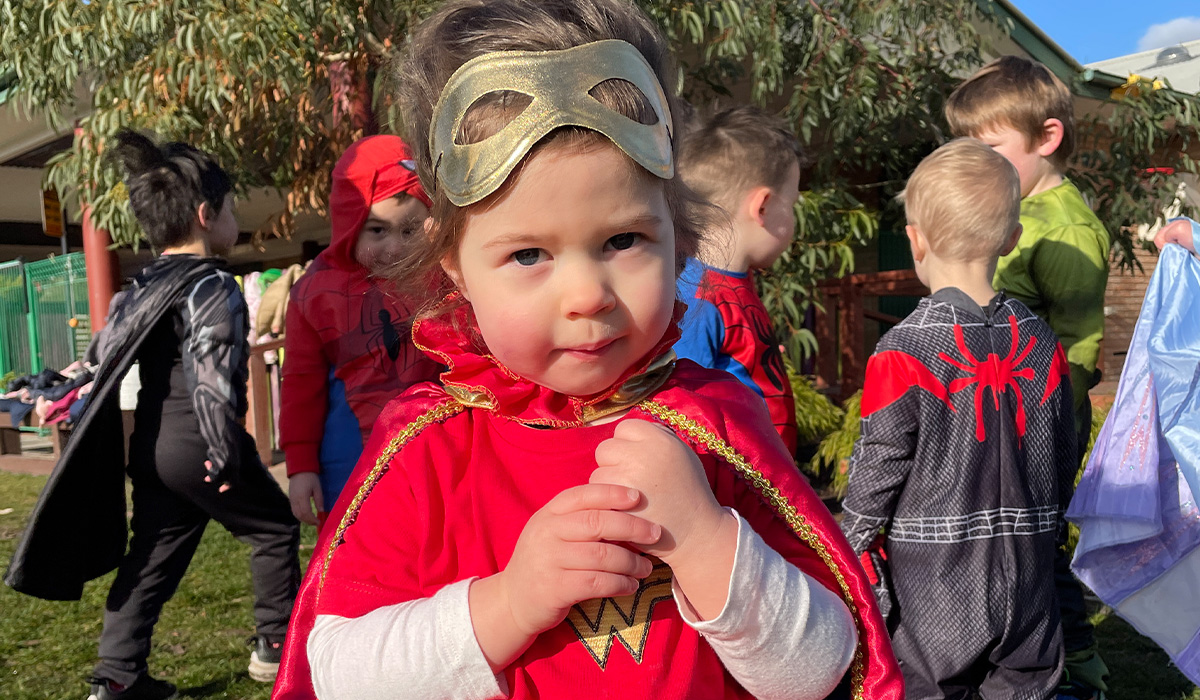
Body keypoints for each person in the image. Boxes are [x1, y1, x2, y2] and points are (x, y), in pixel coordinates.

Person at [270, 1, 904, 699]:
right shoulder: (430, 451)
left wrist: (704, 541)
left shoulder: (715, 425)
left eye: (623, 241)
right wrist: (509, 603)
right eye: (529, 254)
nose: (587, 295)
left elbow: (823, 667)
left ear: (678, 235)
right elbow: (337, 672)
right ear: (455, 267)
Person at [5, 131, 301, 700]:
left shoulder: (139, 285)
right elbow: (213, 371)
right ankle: (275, 646)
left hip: (149, 445)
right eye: (233, 207)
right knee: (273, 526)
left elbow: (95, 361)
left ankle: (115, 678)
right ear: (204, 214)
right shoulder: (212, 283)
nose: (235, 218)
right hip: (199, 441)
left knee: (154, 553)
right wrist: (222, 448)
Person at [840, 139, 1078, 699]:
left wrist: (844, 546)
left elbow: (879, 468)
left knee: (927, 691)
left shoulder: (903, 351)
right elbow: (1065, 453)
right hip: (1029, 574)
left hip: (934, 583)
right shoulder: (1043, 344)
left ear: (915, 241)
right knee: (1025, 686)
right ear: (1012, 240)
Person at [946, 55, 1112, 700]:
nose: (976, 164)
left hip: (1039, 410)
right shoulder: (1014, 208)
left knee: (1037, 540)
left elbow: (1077, 341)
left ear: (1047, 138)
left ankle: (1079, 664)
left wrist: (1044, 424)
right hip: (996, 405)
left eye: (989, 149)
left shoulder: (1067, 227)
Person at [281, 135, 441, 529]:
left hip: (441, 441)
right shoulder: (317, 294)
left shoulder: (448, 276)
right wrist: (301, 466)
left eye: (410, 231)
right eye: (376, 231)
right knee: (359, 538)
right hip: (352, 453)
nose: (395, 248)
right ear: (348, 228)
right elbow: (301, 383)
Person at [673, 105, 802, 455]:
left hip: (763, 479)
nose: (792, 219)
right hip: (732, 487)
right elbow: (686, 415)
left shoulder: (730, 285)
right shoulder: (695, 298)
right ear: (762, 207)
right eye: (791, 204)